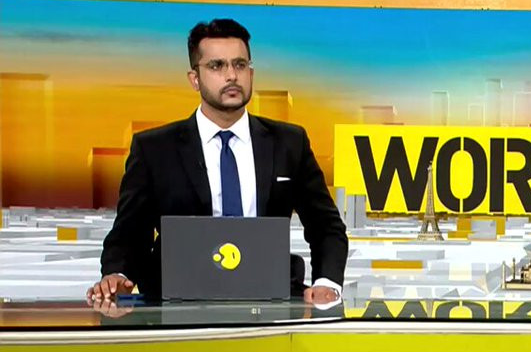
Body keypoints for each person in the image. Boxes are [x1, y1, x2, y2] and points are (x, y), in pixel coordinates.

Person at [87, 18, 347, 304]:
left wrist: (326, 283)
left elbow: (326, 226)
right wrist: (118, 274)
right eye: (216, 66)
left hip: (272, 300)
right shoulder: (154, 149)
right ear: (194, 79)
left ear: (251, 72)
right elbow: (130, 232)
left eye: (240, 65)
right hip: (176, 304)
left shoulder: (289, 143)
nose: (231, 75)